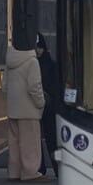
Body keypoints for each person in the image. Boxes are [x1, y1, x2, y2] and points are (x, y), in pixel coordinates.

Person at [4, 31, 46, 181]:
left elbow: (4, 86)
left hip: (13, 108)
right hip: (29, 110)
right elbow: (34, 86)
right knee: (30, 144)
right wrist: (41, 103)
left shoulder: (9, 60)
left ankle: (14, 172)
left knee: (14, 144)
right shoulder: (32, 61)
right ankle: (30, 172)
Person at [35, 33, 61, 177]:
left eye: (39, 47)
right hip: (42, 104)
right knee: (40, 139)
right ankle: (42, 167)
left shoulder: (47, 64)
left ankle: (54, 168)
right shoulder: (45, 63)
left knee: (50, 139)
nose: (38, 50)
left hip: (47, 106)